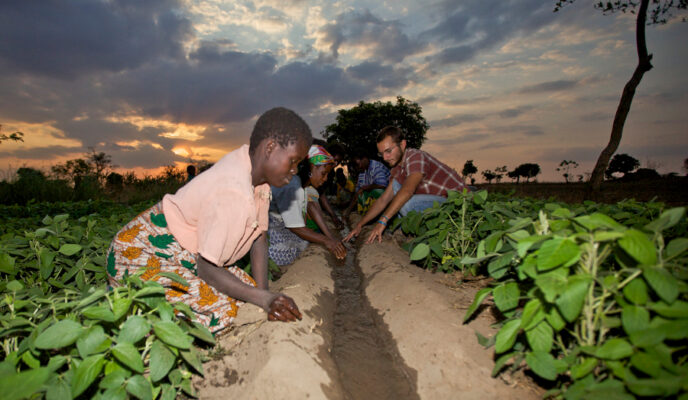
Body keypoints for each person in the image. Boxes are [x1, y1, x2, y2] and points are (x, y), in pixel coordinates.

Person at [107, 107, 311, 332]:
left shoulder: (259, 179)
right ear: (270, 148)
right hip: (142, 252)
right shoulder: (232, 191)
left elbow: (259, 238)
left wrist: (264, 295)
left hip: (188, 254)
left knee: (247, 293)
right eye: (292, 161)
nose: (294, 171)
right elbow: (206, 268)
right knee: (222, 310)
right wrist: (264, 300)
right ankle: (132, 318)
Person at [344, 126, 469, 244]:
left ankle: (422, 236)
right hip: (436, 202)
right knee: (396, 190)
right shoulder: (397, 169)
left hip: (457, 203)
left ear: (402, 145)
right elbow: (383, 199)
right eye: (381, 154)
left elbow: (408, 191)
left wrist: (382, 221)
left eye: (388, 151)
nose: (385, 158)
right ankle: (405, 229)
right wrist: (360, 224)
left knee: (406, 203)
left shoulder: (415, 156)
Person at [268, 145, 347, 266]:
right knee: (301, 246)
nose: (325, 179)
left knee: (306, 242)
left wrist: (330, 238)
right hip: (272, 232)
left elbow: (309, 208)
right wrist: (327, 241)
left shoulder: (303, 188)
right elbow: (295, 228)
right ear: (312, 168)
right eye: (323, 173)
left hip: (281, 228)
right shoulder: (292, 186)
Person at [343, 150, 390, 217]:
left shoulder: (376, 167)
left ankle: (380, 215)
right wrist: (348, 211)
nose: (358, 167)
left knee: (378, 192)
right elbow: (357, 193)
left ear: (364, 158)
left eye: (358, 164)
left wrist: (365, 187)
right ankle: (368, 214)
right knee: (360, 194)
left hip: (388, 197)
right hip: (376, 200)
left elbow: (383, 185)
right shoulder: (362, 171)